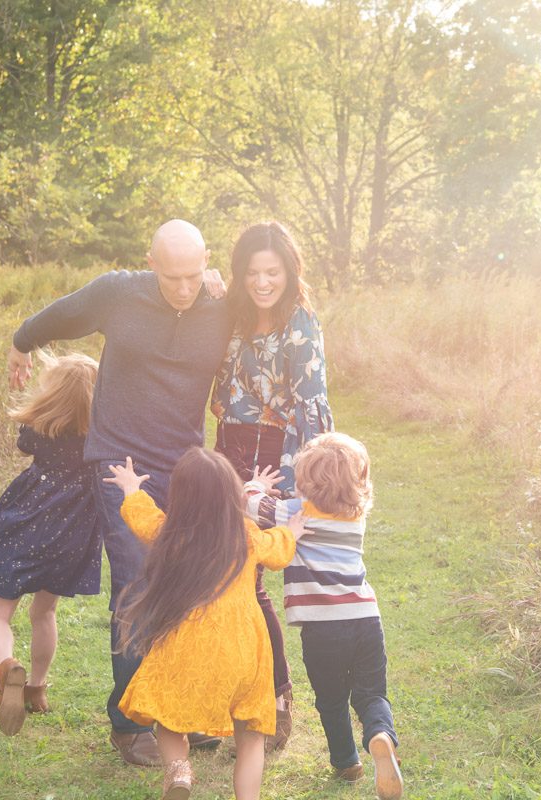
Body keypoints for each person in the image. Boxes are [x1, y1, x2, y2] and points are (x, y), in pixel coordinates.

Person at [7, 220, 231, 766]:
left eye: (194, 275)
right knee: (135, 583)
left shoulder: (224, 303)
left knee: (190, 584)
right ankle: (130, 723)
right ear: (149, 261)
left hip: (185, 467)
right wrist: (21, 344)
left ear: (208, 260)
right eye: (172, 276)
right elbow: (58, 315)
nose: (183, 288)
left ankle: (179, 709)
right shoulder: (118, 293)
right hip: (120, 461)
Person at [102, 450, 307, 800]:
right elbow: (277, 552)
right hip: (244, 646)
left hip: (188, 640)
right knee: (251, 735)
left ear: (180, 495)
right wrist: (291, 532)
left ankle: (179, 773)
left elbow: (142, 517)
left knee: (169, 718)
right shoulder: (246, 533)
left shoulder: (172, 533)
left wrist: (131, 487)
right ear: (233, 494)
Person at [211, 220, 334, 749]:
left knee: (254, 576)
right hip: (228, 445)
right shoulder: (232, 314)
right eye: (252, 272)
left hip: (274, 452)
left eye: (273, 272)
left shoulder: (300, 322)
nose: (263, 282)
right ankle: (229, 693)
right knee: (221, 572)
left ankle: (277, 697)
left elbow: (312, 408)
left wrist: (308, 480)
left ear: (289, 270)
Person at [245, 433, 404, 800]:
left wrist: (259, 484)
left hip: (322, 629)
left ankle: (347, 762)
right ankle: (380, 735)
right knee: (372, 694)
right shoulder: (356, 516)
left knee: (332, 699)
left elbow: (249, 503)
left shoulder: (294, 513)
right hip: (366, 618)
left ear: (305, 482)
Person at [0, 352, 102, 737]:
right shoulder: (99, 433)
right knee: (44, 613)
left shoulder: (39, 426)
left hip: (26, 525)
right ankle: (36, 688)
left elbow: (24, 447)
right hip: (71, 535)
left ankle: (7, 667)